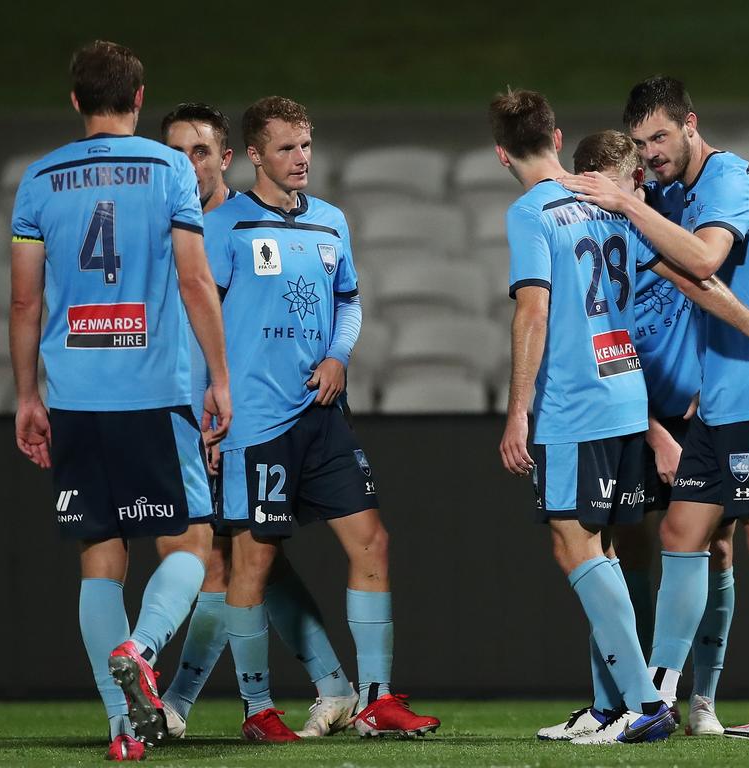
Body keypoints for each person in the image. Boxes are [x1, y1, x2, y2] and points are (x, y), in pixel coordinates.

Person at [493, 89, 749, 746]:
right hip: (672, 401)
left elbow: (701, 266)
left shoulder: (672, 194)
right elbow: (693, 267)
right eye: (639, 149)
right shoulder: (650, 206)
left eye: (659, 142)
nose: (649, 158)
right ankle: (651, 692)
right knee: (676, 535)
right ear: (558, 142)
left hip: (735, 392)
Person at [8, 41, 231, 761]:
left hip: (74, 394)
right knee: (192, 541)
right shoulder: (169, 168)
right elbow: (196, 282)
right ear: (139, 100)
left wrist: (25, 396)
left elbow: (23, 301)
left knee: (100, 558)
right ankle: (142, 647)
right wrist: (220, 379)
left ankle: (123, 730)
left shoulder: (38, 179)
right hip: (153, 390)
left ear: (75, 101)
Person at [203, 95, 440, 742]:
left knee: (374, 544)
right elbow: (200, 326)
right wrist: (207, 411)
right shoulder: (224, 227)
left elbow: (349, 304)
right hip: (254, 423)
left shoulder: (331, 222)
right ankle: (257, 709)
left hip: (323, 414)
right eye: (285, 147)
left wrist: (338, 355)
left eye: (305, 145)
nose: (300, 158)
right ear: (254, 154)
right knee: (252, 565)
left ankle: (375, 699)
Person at [158, 102, 357, 739]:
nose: (189, 165)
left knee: (237, 559)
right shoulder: (187, 227)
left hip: (237, 420)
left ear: (226, 158)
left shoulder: (229, 228)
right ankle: (330, 685)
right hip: (204, 415)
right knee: (249, 557)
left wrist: (208, 418)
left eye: (200, 152)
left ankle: (181, 704)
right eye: (177, 153)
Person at [575, 130, 737, 736]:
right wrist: (654, 435)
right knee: (624, 549)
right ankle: (631, 697)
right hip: (630, 415)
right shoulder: (590, 241)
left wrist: (708, 384)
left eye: (627, 182)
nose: (619, 195)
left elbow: (707, 286)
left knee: (715, 545)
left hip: (698, 410)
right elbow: (601, 350)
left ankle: (702, 702)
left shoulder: (665, 217)